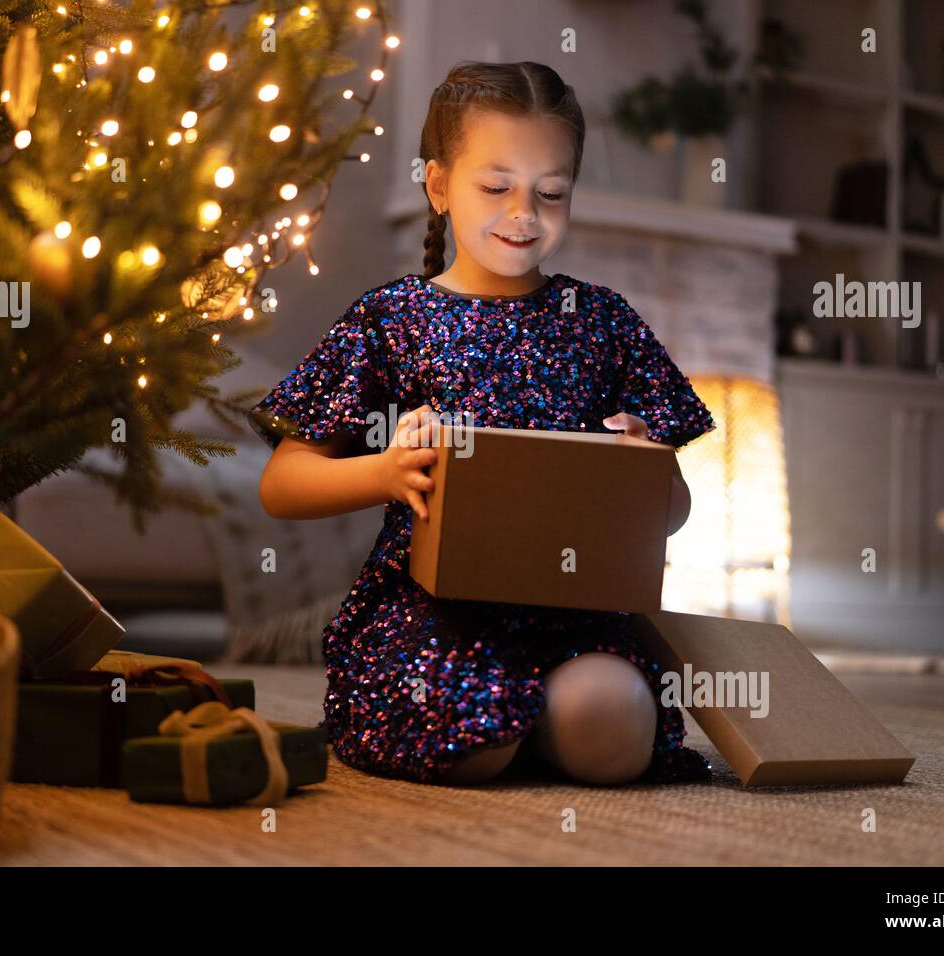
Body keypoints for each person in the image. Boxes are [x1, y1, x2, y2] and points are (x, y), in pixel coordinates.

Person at [249, 61, 717, 787]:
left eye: (551, 193)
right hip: (433, 611)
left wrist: (646, 468)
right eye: (495, 187)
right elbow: (281, 484)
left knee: (616, 727)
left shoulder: (602, 320)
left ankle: (538, 719)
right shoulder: (394, 317)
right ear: (438, 185)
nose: (524, 214)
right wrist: (384, 471)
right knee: (470, 737)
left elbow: (675, 513)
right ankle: (512, 726)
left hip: (573, 616)